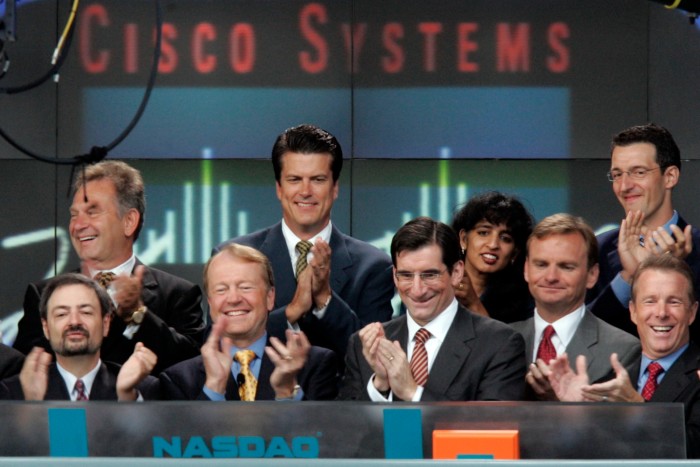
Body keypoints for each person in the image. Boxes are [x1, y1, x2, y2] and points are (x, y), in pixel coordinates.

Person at [215, 124, 394, 359]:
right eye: (294, 179)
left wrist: (325, 300)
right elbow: (218, 342)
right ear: (279, 188)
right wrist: (290, 312)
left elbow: (373, 358)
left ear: (335, 188)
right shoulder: (232, 257)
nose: (305, 191)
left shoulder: (373, 266)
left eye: (318, 179)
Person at [14, 160, 206, 374]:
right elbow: (24, 376)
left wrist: (137, 315)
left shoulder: (178, 295)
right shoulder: (43, 295)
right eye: (74, 215)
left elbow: (191, 372)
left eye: (92, 211)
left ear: (129, 221)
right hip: (68, 408)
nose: (78, 226)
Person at [338, 216, 526, 401]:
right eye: (406, 275)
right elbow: (344, 427)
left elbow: (493, 427)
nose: (418, 290)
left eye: (430, 275)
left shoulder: (499, 343)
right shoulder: (366, 345)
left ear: (457, 273)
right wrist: (379, 386)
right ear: (395, 276)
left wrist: (412, 392)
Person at [549, 255, 700, 458]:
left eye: (674, 302)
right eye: (650, 301)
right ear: (633, 311)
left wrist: (638, 409)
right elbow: (583, 453)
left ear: (691, 312)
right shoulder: (610, 381)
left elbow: (694, 446)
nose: (661, 313)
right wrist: (577, 413)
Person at [159, 243, 338, 401]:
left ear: (270, 297)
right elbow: (184, 439)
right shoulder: (179, 379)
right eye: (221, 290)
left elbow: (324, 438)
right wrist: (214, 389)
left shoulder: (314, 365)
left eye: (245, 287)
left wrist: (287, 393)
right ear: (210, 303)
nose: (234, 298)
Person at [589, 123, 700, 343]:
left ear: (670, 177)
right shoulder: (596, 249)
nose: (624, 186)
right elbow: (582, 336)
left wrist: (673, 272)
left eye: (638, 172)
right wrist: (628, 278)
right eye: (617, 175)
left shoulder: (697, 249)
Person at [510, 214, 640, 399]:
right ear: (526, 270)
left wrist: (560, 402)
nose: (551, 277)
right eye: (541, 264)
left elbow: (615, 427)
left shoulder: (622, 351)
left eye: (566, 267)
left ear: (592, 275)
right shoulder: (500, 340)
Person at [0, 274, 157, 400]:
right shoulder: (14, 391)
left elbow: (146, 438)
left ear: (106, 323)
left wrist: (126, 396)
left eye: (86, 312)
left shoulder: (142, 388)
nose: (74, 321)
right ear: (46, 327)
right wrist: (33, 404)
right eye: (62, 314)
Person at [451, 191, 534, 323]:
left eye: (505, 238)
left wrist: (474, 304)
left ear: (515, 252)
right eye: (483, 233)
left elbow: (508, 343)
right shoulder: (436, 284)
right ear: (464, 239)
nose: (493, 244)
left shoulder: (526, 303)